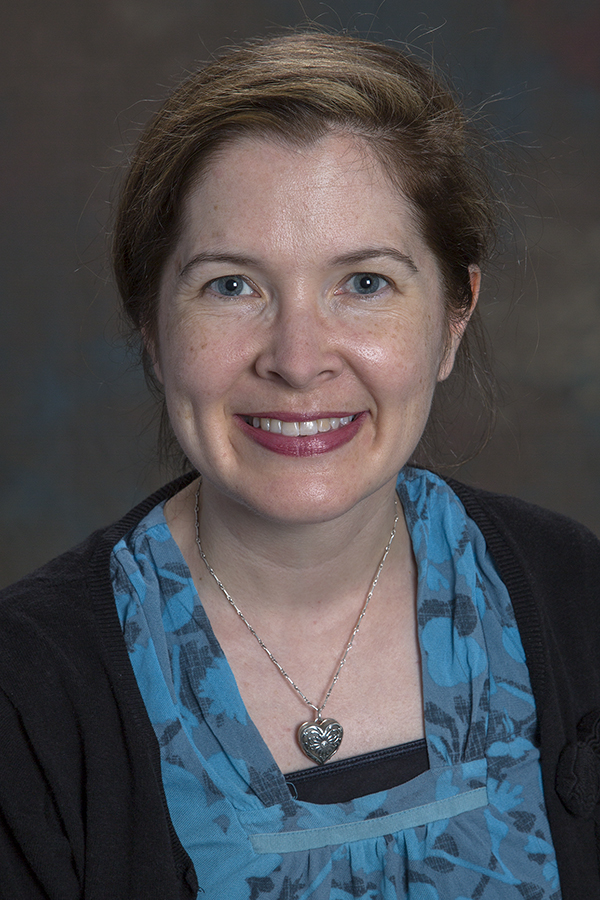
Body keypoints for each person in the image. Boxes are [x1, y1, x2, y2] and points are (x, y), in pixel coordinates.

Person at [1, 31, 599, 900]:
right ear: (152, 332)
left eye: (364, 282)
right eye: (232, 285)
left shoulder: (578, 598)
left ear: (454, 318)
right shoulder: (27, 696)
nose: (297, 356)